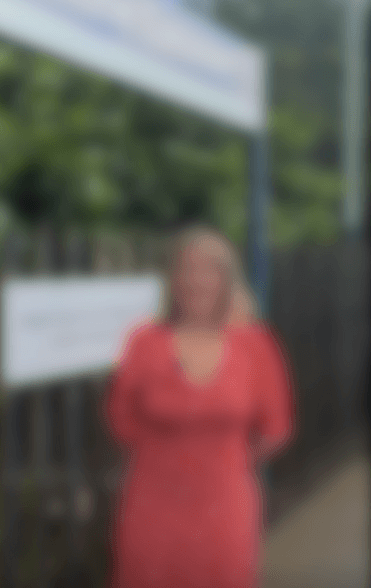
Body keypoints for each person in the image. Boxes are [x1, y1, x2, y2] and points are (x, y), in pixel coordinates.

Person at [106, 225, 294, 588]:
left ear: (227, 279)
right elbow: (120, 418)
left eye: (209, 269)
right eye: (187, 269)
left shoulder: (256, 344)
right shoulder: (145, 342)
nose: (197, 280)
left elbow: (276, 428)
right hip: (152, 506)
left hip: (226, 508)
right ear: (173, 280)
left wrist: (220, 461)